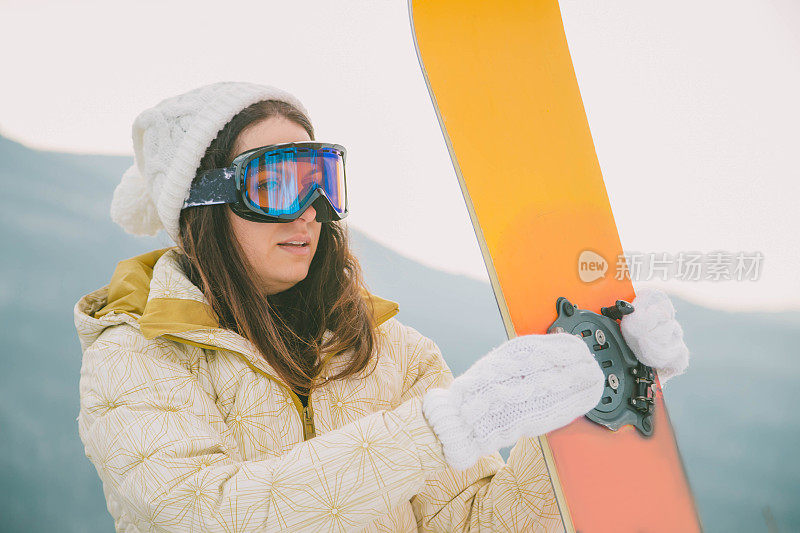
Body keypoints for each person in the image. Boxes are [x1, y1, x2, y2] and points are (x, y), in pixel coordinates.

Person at [74, 81, 690, 532]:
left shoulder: (393, 355)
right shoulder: (137, 356)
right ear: (204, 204)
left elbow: (470, 525)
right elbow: (211, 514)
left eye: (322, 177)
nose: (310, 208)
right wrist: (448, 424)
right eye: (277, 183)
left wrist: (580, 398)